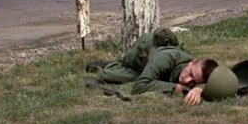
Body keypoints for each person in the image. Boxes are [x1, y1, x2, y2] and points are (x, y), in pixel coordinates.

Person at [86, 27, 237, 106]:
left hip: (157, 57)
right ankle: (109, 64)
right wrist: (174, 88)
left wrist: (199, 88)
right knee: (128, 76)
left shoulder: (197, 69)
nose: (186, 80)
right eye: (189, 73)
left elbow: (214, 77)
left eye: (193, 81)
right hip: (140, 54)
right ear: (192, 62)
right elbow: (139, 87)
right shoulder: (165, 58)